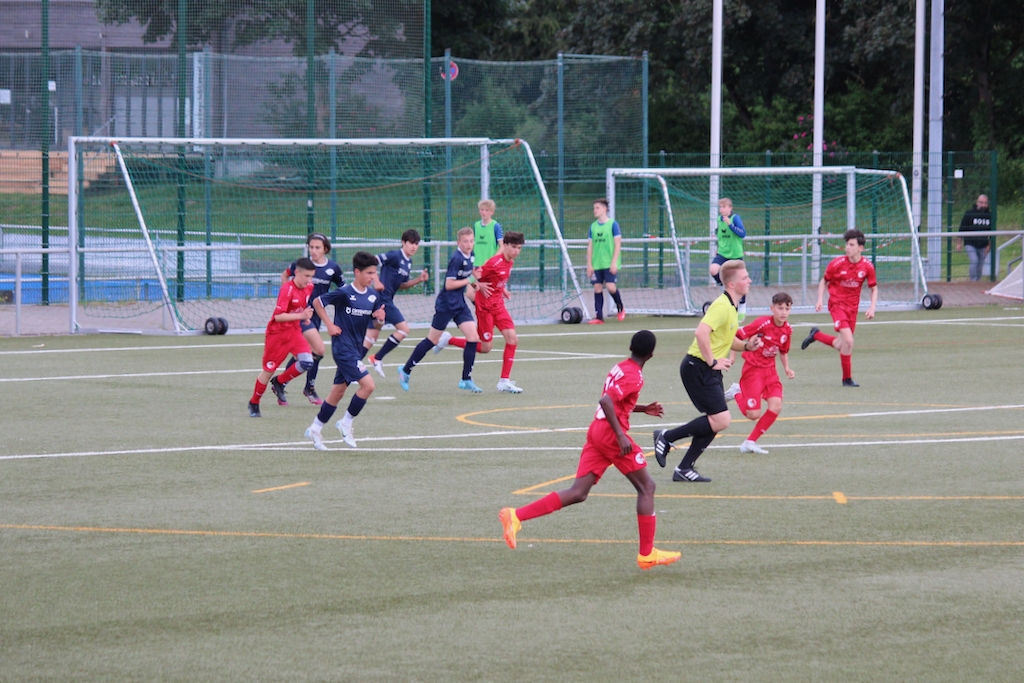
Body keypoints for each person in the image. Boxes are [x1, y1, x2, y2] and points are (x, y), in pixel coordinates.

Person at [499, 330, 681, 570]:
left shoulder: (620, 367)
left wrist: (641, 408)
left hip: (597, 430)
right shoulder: (635, 376)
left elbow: (614, 400)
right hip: (610, 435)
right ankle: (647, 554)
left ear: (630, 347)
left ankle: (515, 515)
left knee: (578, 492)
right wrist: (620, 435)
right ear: (652, 354)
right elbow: (606, 401)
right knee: (647, 487)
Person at [653, 259, 761, 482]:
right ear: (731, 284)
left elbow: (726, 339)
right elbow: (701, 333)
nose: (749, 280)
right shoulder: (722, 306)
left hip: (708, 370)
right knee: (721, 419)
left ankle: (684, 469)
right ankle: (666, 437)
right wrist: (712, 362)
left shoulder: (732, 306)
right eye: (744, 278)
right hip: (697, 367)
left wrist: (747, 346)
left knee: (716, 420)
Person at [303, 252, 386, 450]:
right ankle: (346, 423)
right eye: (369, 273)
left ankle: (315, 428)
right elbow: (317, 302)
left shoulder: (373, 296)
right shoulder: (344, 292)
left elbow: (376, 323)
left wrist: (380, 319)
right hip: (342, 348)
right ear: (357, 272)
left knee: (337, 392)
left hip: (355, 350)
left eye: (374, 273)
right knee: (368, 386)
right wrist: (329, 325)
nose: (372, 277)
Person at [399, 226, 491, 393]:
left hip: (459, 303)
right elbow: (449, 284)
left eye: (471, 241)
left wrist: (474, 283)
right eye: (465, 241)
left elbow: (468, 274)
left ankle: (466, 379)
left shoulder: (471, 255)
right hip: (446, 304)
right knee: (432, 340)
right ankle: (405, 370)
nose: (469, 244)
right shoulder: (456, 258)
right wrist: (470, 280)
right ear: (458, 243)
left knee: (473, 337)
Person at [433, 231, 526, 393]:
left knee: (513, 339)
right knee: (485, 348)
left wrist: (502, 289)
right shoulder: (494, 263)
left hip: (499, 307)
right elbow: (473, 274)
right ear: (504, 245)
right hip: (485, 309)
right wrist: (479, 285)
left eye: (519, 248)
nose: (516, 251)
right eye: (513, 247)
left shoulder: (510, 262)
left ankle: (504, 381)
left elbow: (496, 280)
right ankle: (449, 340)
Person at [272, 233, 345, 406]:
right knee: (316, 350)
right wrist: (287, 297)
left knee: (307, 353)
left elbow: (343, 290)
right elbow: (285, 276)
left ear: (325, 249)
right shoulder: (302, 265)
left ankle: (282, 383)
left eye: (317, 247)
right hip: (301, 315)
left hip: (316, 315)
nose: (313, 251)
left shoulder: (333, 268)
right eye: (311, 247)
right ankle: (308, 388)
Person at [800, 229, 878, 387]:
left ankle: (817, 335)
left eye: (851, 245)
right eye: (847, 244)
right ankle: (846, 379)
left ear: (860, 248)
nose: (847, 247)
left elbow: (874, 288)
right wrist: (820, 299)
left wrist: (872, 308)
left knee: (841, 345)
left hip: (852, 309)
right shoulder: (837, 264)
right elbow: (824, 280)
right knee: (849, 341)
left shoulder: (867, 267)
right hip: (837, 305)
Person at [723, 292, 796, 454]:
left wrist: (787, 368)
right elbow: (736, 336)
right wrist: (732, 357)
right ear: (772, 308)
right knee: (753, 414)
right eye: (780, 308)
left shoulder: (787, 330)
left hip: (770, 371)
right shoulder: (762, 323)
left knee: (776, 406)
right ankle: (736, 392)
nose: (784, 312)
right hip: (753, 371)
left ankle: (750, 442)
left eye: (787, 309)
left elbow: (783, 351)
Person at [248, 258, 317, 418]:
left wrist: (304, 317)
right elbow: (278, 316)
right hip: (277, 334)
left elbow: (301, 306)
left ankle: (279, 382)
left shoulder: (309, 287)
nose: (309, 280)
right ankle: (254, 402)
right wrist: (301, 315)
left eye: (311, 276)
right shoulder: (287, 289)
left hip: (294, 331)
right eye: (306, 276)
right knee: (268, 371)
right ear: (297, 273)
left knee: (307, 362)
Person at [363, 229, 430, 377]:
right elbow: (372, 261)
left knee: (371, 337)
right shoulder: (394, 255)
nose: (414, 246)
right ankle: (377, 358)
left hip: (385, 299)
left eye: (416, 244)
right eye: (411, 243)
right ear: (403, 242)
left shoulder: (409, 262)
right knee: (404, 329)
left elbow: (402, 285)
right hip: (382, 298)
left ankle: (351, 369)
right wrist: (376, 281)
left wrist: (419, 279)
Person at [585, 198, 626, 324]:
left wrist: (614, 262)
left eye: (597, 208)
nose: (595, 210)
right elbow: (590, 246)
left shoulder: (613, 225)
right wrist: (589, 264)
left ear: (604, 209)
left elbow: (617, 244)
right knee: (597, 287)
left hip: (609, 262)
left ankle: (620, 307)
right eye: (594, 208)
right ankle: (599, 317)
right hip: (597, 263)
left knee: (610, 287)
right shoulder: (593, 226)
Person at [710, 197, 747, 321]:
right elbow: (721, 237)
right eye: (720, 207)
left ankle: (742, 306)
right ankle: (725, 286)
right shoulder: (719, 220)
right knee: (713, 270)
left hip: (735, 255)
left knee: (741, 280)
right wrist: (718, 248)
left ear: (730, 208)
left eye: (724, 207)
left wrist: (730, 225)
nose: (721, 209)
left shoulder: (735, 218)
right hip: (723, 253)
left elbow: (742, 233)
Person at [956, 194, 993, 281]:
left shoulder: (990, 215)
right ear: (977, 203)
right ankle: (973, 281)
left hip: (983, 244)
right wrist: (959, 243)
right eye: (981, 203)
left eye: (985, 203)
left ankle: (977, 282)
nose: (983, 205)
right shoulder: (969, 214)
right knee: (974, 260)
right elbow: (962, 228)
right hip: (970, 243)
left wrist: (989, 245)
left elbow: (992, 231)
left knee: (980, 265)